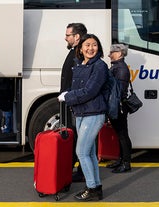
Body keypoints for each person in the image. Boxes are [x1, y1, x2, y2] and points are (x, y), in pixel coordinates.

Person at [58, 34, 108, 201]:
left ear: (98, 48)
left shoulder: (100, 66)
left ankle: (92, 188)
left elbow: (90, 91)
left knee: (81, 151)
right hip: (81, 113)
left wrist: (68, 97)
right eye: (87, 45)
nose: (90, 48)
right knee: (90, 153)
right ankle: (96, 187)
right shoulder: (81, 64)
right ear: (80, 48)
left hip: (94, 113)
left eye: (94, 45)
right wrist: (69, 95)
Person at [61, 23, 87, 182]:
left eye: (68, 35)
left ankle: (82, 172)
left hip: (75, 103)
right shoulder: (75, 52)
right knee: (76, 137)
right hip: (72, 101)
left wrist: (70, 97)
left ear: (76, 37)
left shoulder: (78, 54)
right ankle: (76, 169)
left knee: (79, 138)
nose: (65, 38)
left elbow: (79, 81)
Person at [106, 44, 132, 173]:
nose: (109, 54)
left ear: (120, 53)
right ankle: (121, 160)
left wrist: (113, 110)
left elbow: (119, 93)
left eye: (112, 52)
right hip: (117, 106)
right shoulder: (117, 67)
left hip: (119, 106)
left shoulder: (120, 68)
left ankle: (126, 163)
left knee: (122, 135)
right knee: (120, 134)